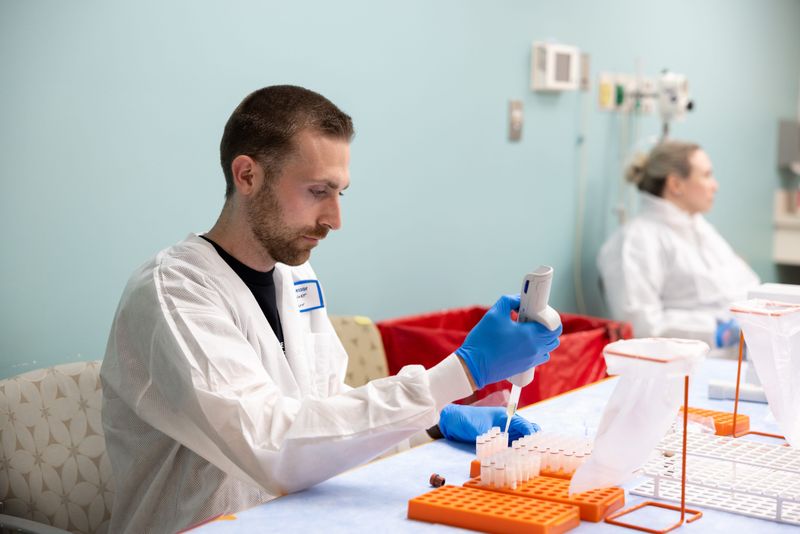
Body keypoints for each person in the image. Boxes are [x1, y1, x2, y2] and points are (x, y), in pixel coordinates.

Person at [100, 85, 561, 533]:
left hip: (301, 516)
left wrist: (432, 426)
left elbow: (321, 412)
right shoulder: (174, 292)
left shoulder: (295, 274)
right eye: (318, 191)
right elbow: (273, 447)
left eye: (341, 192)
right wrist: (458, 373)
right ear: (247, 176)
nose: (335, 220)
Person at [597, 140, 760, 349]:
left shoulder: (700, 228)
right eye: (707, 175)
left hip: (735, 359)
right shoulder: (636, 241)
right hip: (689, 366)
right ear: (675, 184)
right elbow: (640, 326)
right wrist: (717, 332)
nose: (715, 185)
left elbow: (745, 283)